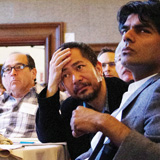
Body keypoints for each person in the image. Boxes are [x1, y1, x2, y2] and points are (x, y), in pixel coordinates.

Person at [70, 0, 160, 159]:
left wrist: (103, 122)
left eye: (143, 30)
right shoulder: (136, 89)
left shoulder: (157, 89)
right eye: (125, 29)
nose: (126, 36)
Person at [36, 42, 128, 159]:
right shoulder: (70, 107)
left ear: (98, 69)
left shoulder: (126, 94)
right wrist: (52, 84)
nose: (75, 79)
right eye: (66, 75)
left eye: (79, 67)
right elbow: (48, 137)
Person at [0, 52, 43, 138]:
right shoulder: (1, 101)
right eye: (8, 69)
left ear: (33, 73)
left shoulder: (50, 98)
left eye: (19, 67)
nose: (12, 73)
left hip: (31, 150)